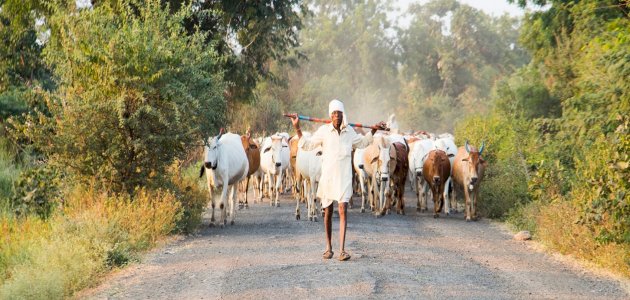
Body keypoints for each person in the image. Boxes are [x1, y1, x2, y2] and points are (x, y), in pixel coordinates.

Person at [289, 99, 386, 261]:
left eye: (339, 113)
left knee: (343, 209)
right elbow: (307, 145)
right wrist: (297, 128)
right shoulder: (324, 131)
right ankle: (328, 248)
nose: (336, 116)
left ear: (343, 115)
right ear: (330, 115)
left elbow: (362, 143)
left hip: (344, 176)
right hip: (327, 176)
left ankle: (342, 250)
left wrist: (374, 131)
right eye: (333, 113)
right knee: (328, 211)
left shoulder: (349, 132)